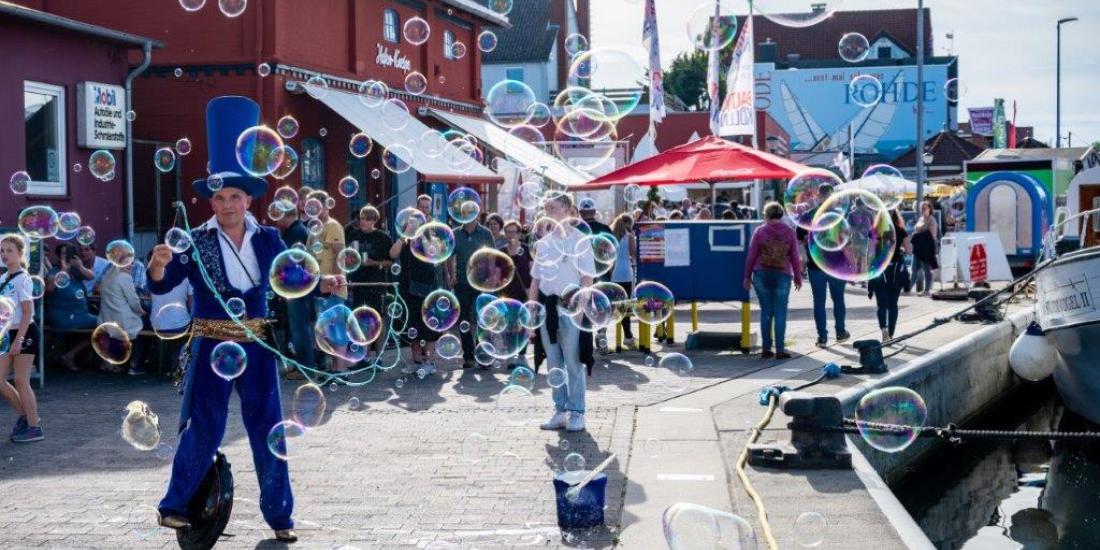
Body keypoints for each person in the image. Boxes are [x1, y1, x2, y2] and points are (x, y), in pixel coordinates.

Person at [150, 96, 345, 542]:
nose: (225, 205)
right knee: (204, 424)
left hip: (256, 344)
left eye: (233, 196)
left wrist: (325, 283)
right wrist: (159, 265)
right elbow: (162, 285)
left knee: (267, 429)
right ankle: (174, 506)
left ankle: (280, 518)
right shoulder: (194, 241)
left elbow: (293, 278)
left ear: (248, 198)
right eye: (218, 197)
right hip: (209, 343)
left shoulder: (269, 239)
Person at [530, 193, 595, 432]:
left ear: (567, 209)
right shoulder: (544, 243)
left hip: (570, 306)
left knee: (573, 361)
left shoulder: (581, 240)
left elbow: (587, 278)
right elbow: (536, 281)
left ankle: (577, 412)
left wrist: (581, 306)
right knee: (554, 363)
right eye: (546, 208)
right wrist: (531, 312)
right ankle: (560, 409)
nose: (549, 213)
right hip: (548, 307)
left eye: (554, 208)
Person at [391, 194, 443, 375]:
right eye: (421, 207)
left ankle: (429, 362)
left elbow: (436, 253)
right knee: (411, 324)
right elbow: (393, 253)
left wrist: (425, 233)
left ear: (430, 211)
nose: (424, 210)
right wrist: (405, 234)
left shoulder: (434, 230)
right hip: (407, 283)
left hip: (427, 284)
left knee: (428, 324)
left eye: (427, 208)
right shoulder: (406, 230)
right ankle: (416, 360)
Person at [744, 202, 802, 360]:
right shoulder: (789, 232)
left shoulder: (760, 231)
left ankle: (766, 348)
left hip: (761, 274)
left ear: (766, 215)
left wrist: (747, 276)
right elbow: (795, 257)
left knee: (766, 312)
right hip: (782, 274)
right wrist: (797, 276)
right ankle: (780, 349)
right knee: (780, 312)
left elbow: (752, 256)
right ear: (781, 215)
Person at [0, 234, 43, 443]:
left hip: (24, 332)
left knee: (20, 380)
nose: (4, 254)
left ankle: (34, 427)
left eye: (9, 250)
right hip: (7, 333)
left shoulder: (23, 279)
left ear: (20, 253)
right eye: (2, 251)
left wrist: (18, 340)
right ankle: (27, 417)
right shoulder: (3, 278)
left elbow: (27, 312)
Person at [796, 185, 849, 348]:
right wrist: (852, 264)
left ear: (819, 196)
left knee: (819, 301)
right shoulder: (839, 217)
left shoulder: (808, 216)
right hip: (837, 265)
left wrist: (803, 258)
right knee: (838, 299)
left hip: (815, 265)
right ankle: (840, 332)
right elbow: (846, 243)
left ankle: (822, 338)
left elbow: (798, 239)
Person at [307, 190, 349, 372]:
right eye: (310, 206)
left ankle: (340, 370)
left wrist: (336, 281)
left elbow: (340, 254)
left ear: (325, 206)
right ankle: (332, 369)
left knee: (337, 328)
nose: (312, 209)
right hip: (318, 286)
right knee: (325, 330)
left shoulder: (332, 226)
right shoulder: (313, 228)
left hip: (332, 287)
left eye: (315, 206)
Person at [344, 205, 393, 357]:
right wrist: (350, 261)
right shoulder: (354, 235)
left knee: (378, 319)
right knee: (360, 319)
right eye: (361, 218)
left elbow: (390, 262)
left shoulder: (383, 238)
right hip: (358, 283)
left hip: (376, 284)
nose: (363, 222)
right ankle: (364, 355)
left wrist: (374, 263)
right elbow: (348, 256)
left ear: (374, 221)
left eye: (366, 219)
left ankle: (379, 356)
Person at [448, 207, 494, 369]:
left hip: (482, 282)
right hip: (462, 282)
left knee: (484, 318)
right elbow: (449, 256)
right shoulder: (455, 233)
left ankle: (483, 354)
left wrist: (491, 277)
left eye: (471, 213)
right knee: (464, 319)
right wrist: (450, 275)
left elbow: (491, 257)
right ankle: (468, 356)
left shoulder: (486, 233)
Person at [45, 243, 98, 371]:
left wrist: (79, 265)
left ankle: (71, 355)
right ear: (58, 256)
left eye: (69, 253)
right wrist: (64, 270)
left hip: (81, 314)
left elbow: (91, 276)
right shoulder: (55, 271)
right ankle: (70, 355)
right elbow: (49, 288)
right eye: (64, 254)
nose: (67, 256)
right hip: (61, 314)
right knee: (100, 324)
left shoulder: (76, 271)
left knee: (103, 325)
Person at [273, 206, 314, 373]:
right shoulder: (296, 230)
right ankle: (302, 364)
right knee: (297, 327)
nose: (276, 219)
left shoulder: (296, 232)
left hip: (296, 286)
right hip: (297, 286)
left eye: (279, 214)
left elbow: (290, 261)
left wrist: (284, 287)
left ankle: (306, 367)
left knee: (299, 328)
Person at [868, 209, 911, 341]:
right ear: (895, 215)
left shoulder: (875, 231)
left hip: (880, 270)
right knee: (893, 304)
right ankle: (891, 334)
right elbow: (909, 250)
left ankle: (884, 329)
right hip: (895, 271)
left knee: (881, 304)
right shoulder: (900, 230)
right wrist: (900, 249)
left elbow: (870, 252)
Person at [97, 263, 147, 375]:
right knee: (142, 329)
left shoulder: (107, 275)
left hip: (106, 319)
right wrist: (141, 311)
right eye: (126, 263)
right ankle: (134, 365)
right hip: (122, 320)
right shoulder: (125, 277)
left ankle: (113, 363)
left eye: (131, 263)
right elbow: (134, 301)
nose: (130, 266)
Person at [579, 198, 612, 357]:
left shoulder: (576, 229)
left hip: (582, 276)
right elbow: (612, 253)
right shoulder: (604, 228)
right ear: (594, 212)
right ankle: (602, 333)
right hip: (602, 274)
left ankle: (587, 339)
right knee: (601, 307)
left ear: (580, 213)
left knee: (585, 307)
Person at [501, 220, 532, 370]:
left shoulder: (526, 249)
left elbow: (533, 272)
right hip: (507, 293)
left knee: (524, 325)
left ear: (519, 234)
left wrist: (532, 290)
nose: (510, 235)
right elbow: (497, 274)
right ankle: (510, 356)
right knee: (510, 325)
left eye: (514, 231)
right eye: (508, 232)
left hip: (525, 292)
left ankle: (521, 356)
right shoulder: (502, 251)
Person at [610, 214, 636, 351]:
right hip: (626, 273)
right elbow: (633, 254)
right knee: (624, 306)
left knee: (615, 305)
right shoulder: (629, 236)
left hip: (613, 274)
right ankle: (627, 335)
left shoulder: (611, 235)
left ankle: (604, 334)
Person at [911, 200, 939, 296]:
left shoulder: (931, 220)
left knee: (926, 269)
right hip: (918, 247)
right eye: (922, 208)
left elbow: (933, 236)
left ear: (930, 209)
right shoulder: (920, 219)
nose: (923, 210)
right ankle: (908, 288)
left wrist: (918, 234)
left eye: (925, 208)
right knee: (914, 269)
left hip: (926, 248)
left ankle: (927, 290)